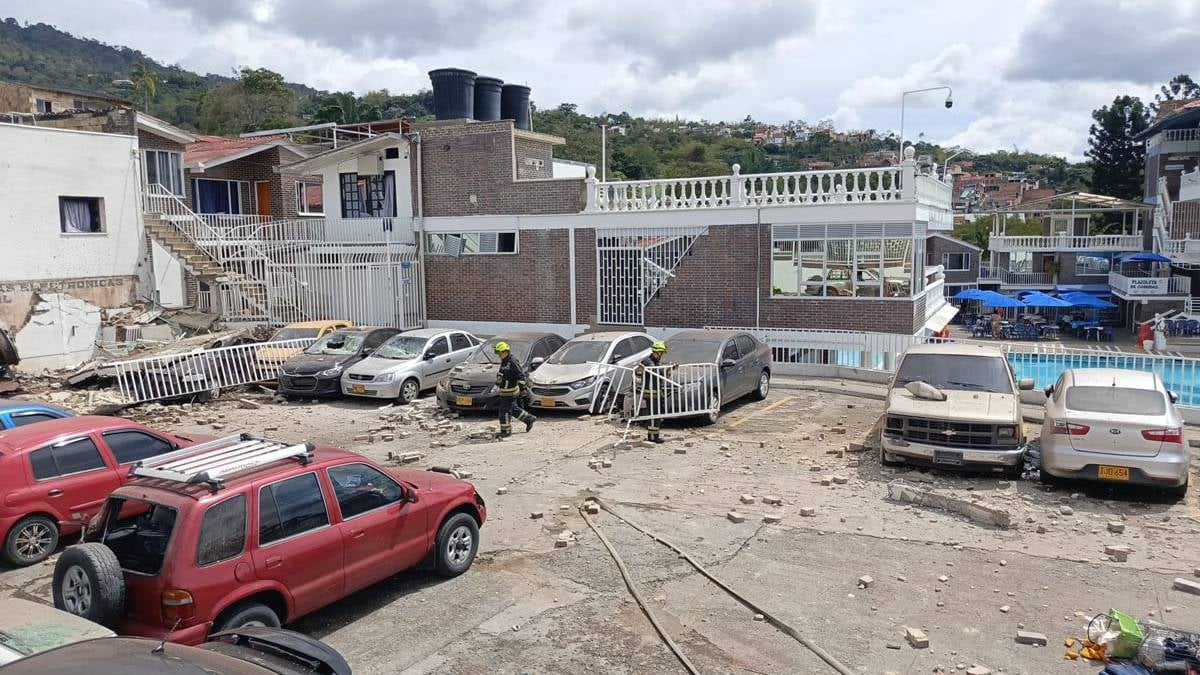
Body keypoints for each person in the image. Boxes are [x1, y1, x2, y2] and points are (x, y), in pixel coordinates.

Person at [494, 341, 535, 438]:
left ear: (505, 351)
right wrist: (498, 385)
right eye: (498, 353)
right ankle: (529, 419)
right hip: (505, 391)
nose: (499, 355)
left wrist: (522, 388)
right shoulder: (504, 361)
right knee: (512, 409)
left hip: (511, 392)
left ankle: (506, 431)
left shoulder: (512, 361)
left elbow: (521, 376)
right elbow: (502, 375)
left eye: (500, 353)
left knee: (504, 411)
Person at [635, 342, 670, 443]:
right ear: (655, 352)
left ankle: (654, 435)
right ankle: (652, 437)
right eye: (660, 353)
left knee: (658, 415)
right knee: (654, 416)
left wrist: (670, 369)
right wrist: (640, 369)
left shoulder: (657, 362)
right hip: (650, 393)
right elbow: (637, 373)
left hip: (658, 392)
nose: (661, 355)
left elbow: (663, 376)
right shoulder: (647, 361)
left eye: (662, 353)